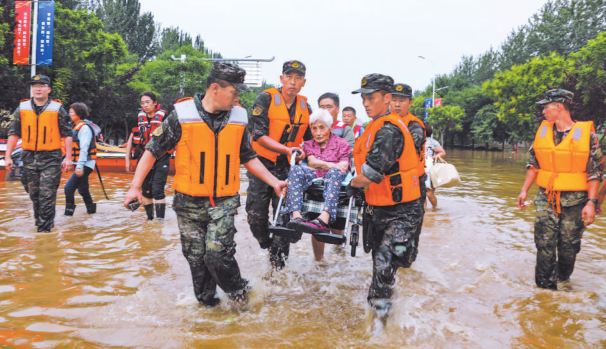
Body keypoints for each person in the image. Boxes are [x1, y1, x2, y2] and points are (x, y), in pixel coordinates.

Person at [124, 63, 287, 307]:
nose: (237, 98)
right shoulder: (181, 114)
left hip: (223, 201)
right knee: (196, 260)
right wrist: (135, 187)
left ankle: (242, 296)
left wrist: (274, 182)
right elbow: (152, 150)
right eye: (234, 92)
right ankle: (209, 311)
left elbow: (248, 157)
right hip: (188, 203)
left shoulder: (239, 118)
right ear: (215, 89)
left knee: (217, 254)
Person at [348, 74, 423, 316]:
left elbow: (369, 175)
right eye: (363, 98)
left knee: (384, 266)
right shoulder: (371, 127)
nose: (366, 103)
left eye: (371, 98)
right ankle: (381, 313)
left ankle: (379, 328)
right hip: (377, 207)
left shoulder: (389, 131)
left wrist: (350, 184)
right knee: (381, 266)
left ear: (386, 98)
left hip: (402, 211)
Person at [517, 88, 602, 290]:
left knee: (568, 247)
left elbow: (595, 173)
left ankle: (563, 281)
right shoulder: (543, 131)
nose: (543, 112)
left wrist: (591, 202)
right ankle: (545, 293)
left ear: (559, 107)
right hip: (546, 196)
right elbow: (533, 165)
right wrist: (523, 191)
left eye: (546, 107)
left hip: (576, 200)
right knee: (544, 243)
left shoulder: (588, 136)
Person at [247, 60, 312, 270]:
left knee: (284, 218)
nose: (293, 82)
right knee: (256, 216)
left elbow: (310, 141)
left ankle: (278, 271)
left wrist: (305, 154)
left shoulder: (306, 107)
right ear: (281, 78)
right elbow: (258, 135)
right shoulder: (265, 99)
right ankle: (266, 243)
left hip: (288, 167)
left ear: (303, 82)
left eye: (298, 78)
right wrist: (285, 149)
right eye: (289, 77)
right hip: (262, 164)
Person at [5, 74, 73, 232]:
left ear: (49, 89)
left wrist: (68, 158)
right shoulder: (22, 108)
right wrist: (8, 156)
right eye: (35, 86)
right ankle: (42, 224)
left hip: (51, 158)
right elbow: (14, 133)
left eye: (42, 85)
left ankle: (44, 234)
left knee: (46, 195)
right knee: (34, 194)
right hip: (28, 157)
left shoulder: (57, 109)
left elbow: (67, 134)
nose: (38, 89)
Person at [282, 109, 351, 261]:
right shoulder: (308, 144)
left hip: (335, 179)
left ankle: (324, 218)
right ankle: (296, 216)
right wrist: (333, 164)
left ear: (329, 128)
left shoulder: (343, 144)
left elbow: (343, 167)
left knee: (335, 173)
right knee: (295, 170)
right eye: (314, 128)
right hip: (314, 178)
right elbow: (312, 163)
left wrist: (325, 166)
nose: (318, 132)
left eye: (322, 128)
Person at [390, 83, 426, 265]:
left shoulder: (415, 126)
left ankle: (406, 263)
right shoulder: (384, 122)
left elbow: (407, 148)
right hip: (389, 185)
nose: (397, 104)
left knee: (409, 232)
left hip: (413, 186)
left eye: (401, 100)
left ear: (409, 103)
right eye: (394, 100)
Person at [125, 92, 170, 220]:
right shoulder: (138, 118)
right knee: (146, 191)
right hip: (143, 156)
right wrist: (127, 159)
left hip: (161, 156)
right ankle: (150, 220)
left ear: (155, 103)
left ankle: (160, 222)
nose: (145, 105)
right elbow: (131, 138)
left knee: (158, 189)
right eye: (142, 103)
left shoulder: (165, 116)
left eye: (147, 102)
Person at [64, 102, 98, 216]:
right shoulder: (74, 127)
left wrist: (79, 166)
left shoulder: (84, 129)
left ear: (78, 114)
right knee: (83, 189)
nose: (69, 114)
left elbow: (84, 149)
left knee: (68, 188)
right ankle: (91, 211)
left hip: (85, 163)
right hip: (80, 162)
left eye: (71, 112)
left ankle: (68, 215)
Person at [424, 123, 446, 208]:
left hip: (431, 171)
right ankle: (426, 215)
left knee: (429, 193)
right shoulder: (416, 141)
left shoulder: (432, 142)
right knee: (421, 195)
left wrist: (436, 156)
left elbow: (442, 152)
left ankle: (435, 210)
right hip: (419, 170)